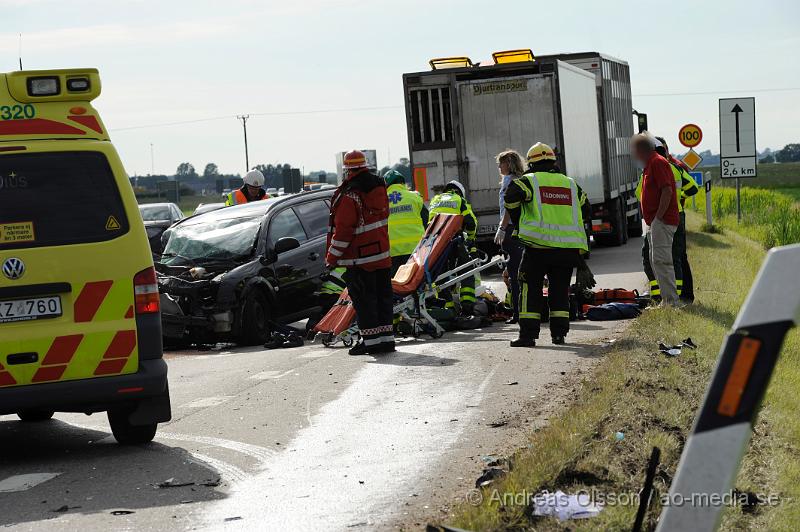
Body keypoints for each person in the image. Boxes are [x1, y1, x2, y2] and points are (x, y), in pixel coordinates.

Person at [504, 142, 594, 348]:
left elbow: (510, 197)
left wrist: (519, 221)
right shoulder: (570, 184)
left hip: (537, 247)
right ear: (553, 162)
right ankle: (559, 335)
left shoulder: (530, 180)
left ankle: (528, 336)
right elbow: (586, 209)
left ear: (531, 163)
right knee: (560, 291)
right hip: (566, 250)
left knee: (529, 289)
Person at [326, 150, 395, 356]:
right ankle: (386, 341)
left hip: (359, 260)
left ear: (347, 170)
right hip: (382, 257)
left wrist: (331, 258)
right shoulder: (379, 188)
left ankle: (372, 343)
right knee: (383, 300)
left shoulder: (349, 195)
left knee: (365, 303)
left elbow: (344, 231)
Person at [631, 133, 681, 307]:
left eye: (635, 151)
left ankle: (671, 302)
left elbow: (667, 191)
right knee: (656, 261)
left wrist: (658, 217)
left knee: (662, 260)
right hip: (655, 222)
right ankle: (667, 300)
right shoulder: (649, 165)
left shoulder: (657, 162)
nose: (634, 155)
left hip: (662, 221)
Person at [656, 136, 698, 303]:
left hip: (670, 216)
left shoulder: (672, 167)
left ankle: (679, 297)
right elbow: (693, 187)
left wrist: (677, 197)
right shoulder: (673, 167)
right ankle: (684, 295)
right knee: (679, 255)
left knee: (674, 257)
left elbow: (692, 188)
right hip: (677, 214)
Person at [428, 179, 478, 314]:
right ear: (460, 192)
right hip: (455, 241)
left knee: (441, 275)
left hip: (436, 244)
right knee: (466, 270)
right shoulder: (459, 200)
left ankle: (448, 307)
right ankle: (467, 305)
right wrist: (471, 239)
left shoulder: (435, 200)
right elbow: (471, 223)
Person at [493, 149, 526, 324]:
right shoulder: (508, 180)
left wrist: (502, 227)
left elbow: (509, 208)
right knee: (512, 271)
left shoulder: (513, 181)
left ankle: (519, 313)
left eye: (501, 163)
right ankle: (518, 311)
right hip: (511, 229)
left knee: (514, 271)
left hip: (512, 229)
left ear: (510, 164)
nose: (499, 166)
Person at [384, 169, 427, 276]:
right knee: (417, 283)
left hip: (392, 253)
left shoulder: (381, 202)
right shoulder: (415, 197)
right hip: (416, 250)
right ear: (402, 183)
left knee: (397, 286)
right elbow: (427, 222)